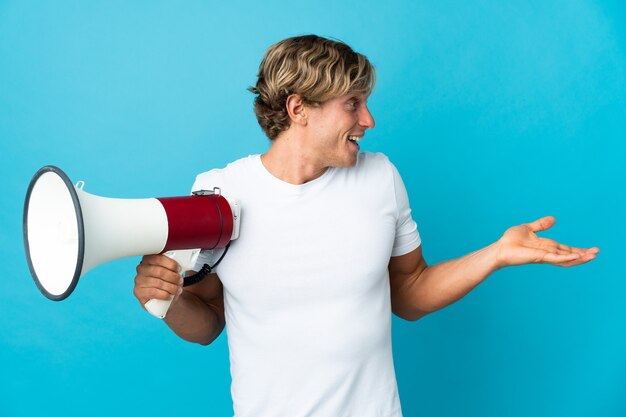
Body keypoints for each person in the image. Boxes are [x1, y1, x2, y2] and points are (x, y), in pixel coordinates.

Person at [133, 35, 599, 417]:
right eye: (352, 104)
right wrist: (168, 300)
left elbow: (410, 293)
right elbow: (207, 322)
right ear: (299, 109)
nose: (369, 120)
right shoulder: (218, 194)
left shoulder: (380, 178)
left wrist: (495, 253)